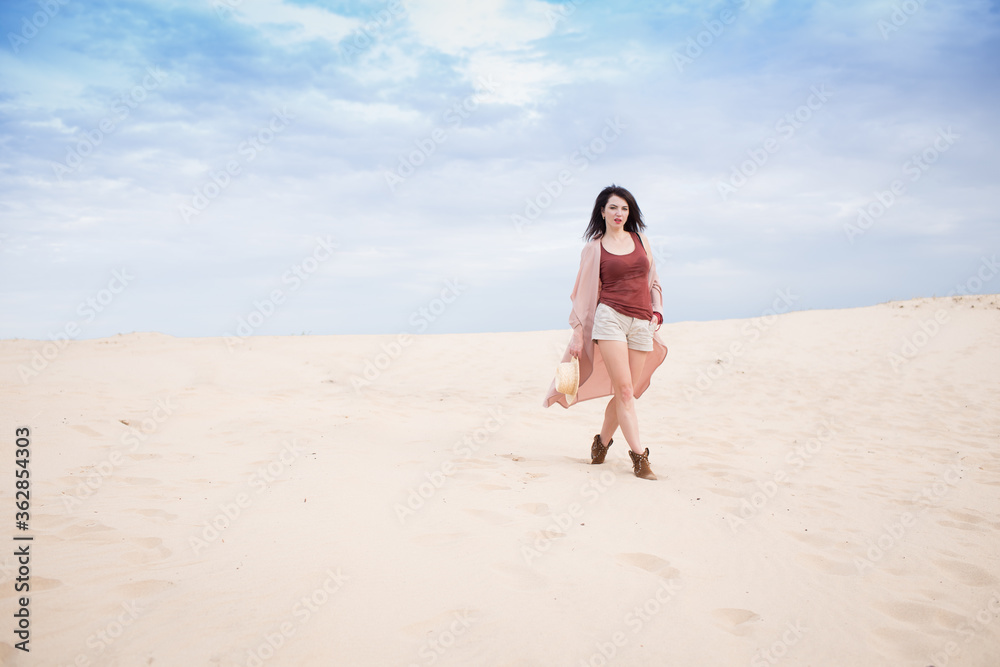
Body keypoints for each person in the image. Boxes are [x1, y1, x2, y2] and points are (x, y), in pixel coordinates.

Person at [542, 185, 668, 480]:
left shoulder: (641, 240)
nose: (619, 213)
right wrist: (577, 333)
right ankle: (640, 458)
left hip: (641, 321)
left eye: (624, 208)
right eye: (613, 207)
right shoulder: (593, 248)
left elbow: (653, 280)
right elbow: (582, 294)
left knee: (629, 392)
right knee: (624, 390)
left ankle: (601, 443)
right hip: (609, 319)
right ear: (602, 211)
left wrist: (657, 309)